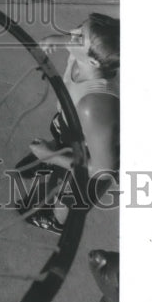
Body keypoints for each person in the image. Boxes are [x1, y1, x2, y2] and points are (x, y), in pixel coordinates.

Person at [16, 13, 120, 233]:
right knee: (62, 138)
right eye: (79, 27)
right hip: (74, 130)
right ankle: (53, 156)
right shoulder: (83, 56)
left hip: (94, 158)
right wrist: (54, 39)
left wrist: (50, 156)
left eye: (78, 36)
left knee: (68, 198)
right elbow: (73, 39)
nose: (71, 34)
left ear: (93, 61)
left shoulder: (94, 105)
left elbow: (102, 169)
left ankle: (56, 223)